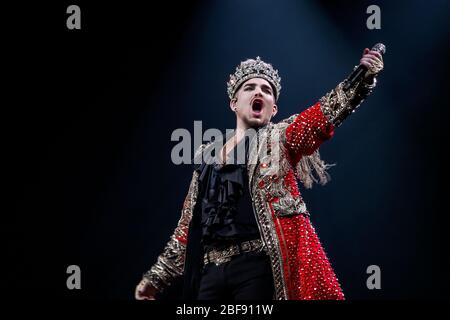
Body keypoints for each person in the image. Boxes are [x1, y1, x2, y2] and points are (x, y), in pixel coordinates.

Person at [135, 47, 384, 300]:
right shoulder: (206, 156)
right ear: (234, 103)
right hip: (210, 273)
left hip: (257, 268)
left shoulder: (280, 139)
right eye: (250, 87)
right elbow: (187, 227)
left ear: (273, 109)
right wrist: (155, 279)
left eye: (266, 90)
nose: (259, 92)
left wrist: (362, 77)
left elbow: (321, 116)